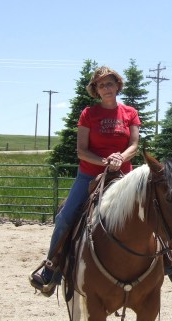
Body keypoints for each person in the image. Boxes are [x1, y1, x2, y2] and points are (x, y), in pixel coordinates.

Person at [29, 66, 141, 296]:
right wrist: (104, 161)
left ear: (117, 86)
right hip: (90, 174)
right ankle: (51, 268)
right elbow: (81, 151)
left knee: (152, 209)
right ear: (96, 90)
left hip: (124, 176)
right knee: (65, 217)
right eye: (101, 85)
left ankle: (171, 261)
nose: (107, 88)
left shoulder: (130, 112)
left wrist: (120, 157)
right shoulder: (88, 115)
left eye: (110, 83)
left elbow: (134, 145)